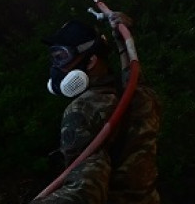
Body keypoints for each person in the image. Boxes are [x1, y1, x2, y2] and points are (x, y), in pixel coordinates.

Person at [33, 19, 160, 204]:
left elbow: (87, 191)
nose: (57, 67)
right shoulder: (143, 96)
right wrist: (122, 38)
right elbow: (133, 74)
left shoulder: (82, 110)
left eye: (62, 57)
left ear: (91, 61)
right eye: (54, 57)